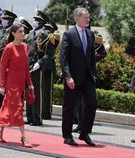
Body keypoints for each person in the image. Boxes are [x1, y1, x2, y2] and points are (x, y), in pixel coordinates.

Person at [60, 7, 97, 146]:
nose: (88, 19)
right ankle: (67, 135)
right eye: (85, 17)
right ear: (77, 18)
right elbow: (63, 58)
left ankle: (84, 133)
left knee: (92, 103)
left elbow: (91, 56)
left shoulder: (90, 34)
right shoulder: (69, 34)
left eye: (88, 17)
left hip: (87, 76)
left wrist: (94, 73)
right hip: (73, 77)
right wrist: (68, 76)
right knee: (69, 106)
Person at [0, 23, 34, 147]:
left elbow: (26, 67)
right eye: (20, 32)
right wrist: (1, 85)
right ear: (13, 34)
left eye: (24, 31)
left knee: (8, 105)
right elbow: (2, 67)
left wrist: (30, 83)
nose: (23, 33)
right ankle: (24, 137)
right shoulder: (9, 48)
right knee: (17, 106)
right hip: (11, 81)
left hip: (21, 81)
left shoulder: (26, 47)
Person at [72, 32, 107, 133]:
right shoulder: (76, 35)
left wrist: (91, 60)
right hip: (78, 72)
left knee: (87, 101)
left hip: (89, 72)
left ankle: (86, 126)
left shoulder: (94, 36)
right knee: (78, 101)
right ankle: (80, 124)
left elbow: (103, 53)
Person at [26, 10, 52, 126]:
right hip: (28, 65)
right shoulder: (31, 34)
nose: (34, 22)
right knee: (28, 91)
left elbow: (48, 54)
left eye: (37, 20)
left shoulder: (46, 35)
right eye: (34, 20)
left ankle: (38, 118)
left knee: (36, 92)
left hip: (37, 66)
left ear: (42, 22)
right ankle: (30, 116)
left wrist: (39, 63)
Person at [42, 21, 60, 119]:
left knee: (47, 90)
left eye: (48, 28)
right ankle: (41, 110)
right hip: (41, 65)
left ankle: (47, 112)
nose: (46, 30)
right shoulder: (42, 37)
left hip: (48, 66)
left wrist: (51, 34)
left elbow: (54, 44)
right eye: (45, 27)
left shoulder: (53, 38)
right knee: (40, 89)